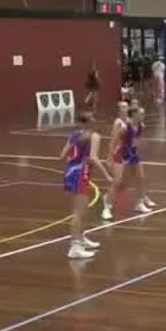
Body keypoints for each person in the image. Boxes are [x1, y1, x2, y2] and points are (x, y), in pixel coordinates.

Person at [61, 112, 113, 259]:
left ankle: (81, 239)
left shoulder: (75, 135)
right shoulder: (94, 136)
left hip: (71, 172)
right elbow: (93, 158)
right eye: (93, 118)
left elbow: (62, 155)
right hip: (81, 173)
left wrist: (75, 159)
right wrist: (107, 175)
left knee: (82, 210)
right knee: (79, 211)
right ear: (89, 122)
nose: (95, 120)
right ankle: (74, 246)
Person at [102, 102, 154, 221]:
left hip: (132, 154)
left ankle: (139, 203)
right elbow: (114, 142)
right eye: (141, 114)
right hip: (121, 154)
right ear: (134, 115)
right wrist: (109, 157)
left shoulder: (141, 126)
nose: (143, 116)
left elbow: (136, 141)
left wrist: (141, 146)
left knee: (141, 178)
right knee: (118, 181)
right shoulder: (125, 127)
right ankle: (107, 205)